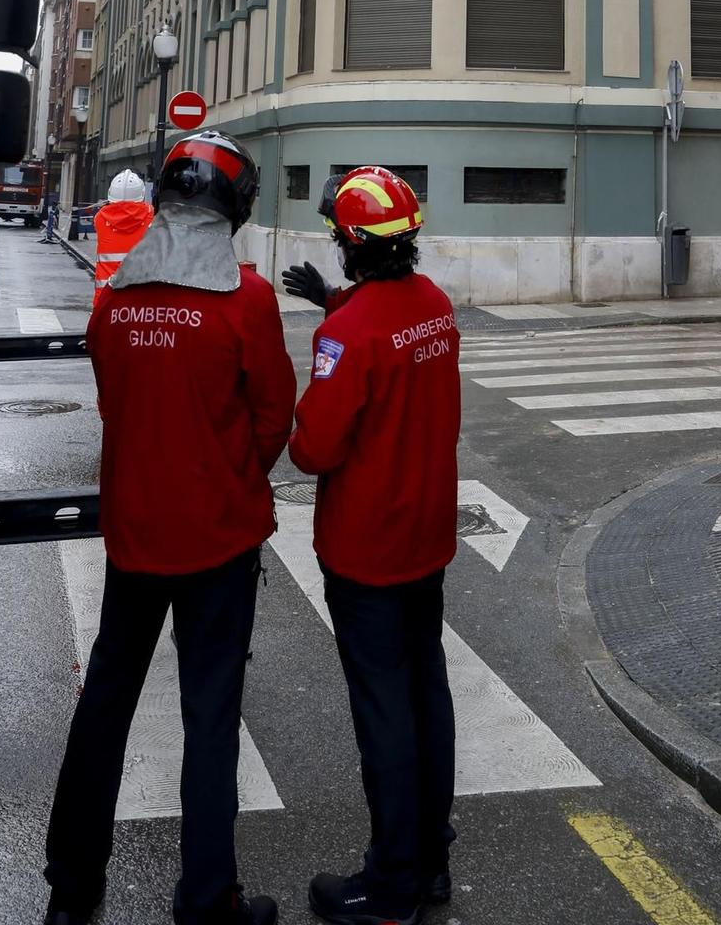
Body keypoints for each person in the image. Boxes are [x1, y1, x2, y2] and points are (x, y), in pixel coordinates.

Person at [44, 131, 295, 925]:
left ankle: (72, 887)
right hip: (218, 540)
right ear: (233, 209)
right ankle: (207, 901)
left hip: (134, 536)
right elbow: (272, 417)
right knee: (210, 716)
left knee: (105, 704)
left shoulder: (115, 298)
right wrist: (228, 476)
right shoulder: (246, 300)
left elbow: (113, 403)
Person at [285, 168, 460, 925]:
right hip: (426, 537)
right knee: (427, 695)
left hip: (367, 550)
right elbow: (389, 334)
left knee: (383, 713)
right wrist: (329, 298)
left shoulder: (347, 334)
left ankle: (390, 888)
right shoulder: (435, 307)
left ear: (350, 244)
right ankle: (430, 858)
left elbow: (312, 450)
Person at [93, 167, 155, 294]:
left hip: (105, 296)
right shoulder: (151, 217)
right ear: (141, 195)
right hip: (136, 296)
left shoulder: (100, 218)